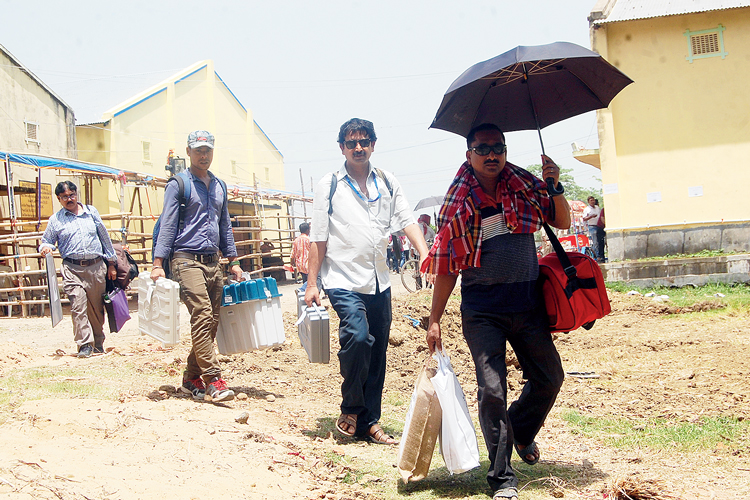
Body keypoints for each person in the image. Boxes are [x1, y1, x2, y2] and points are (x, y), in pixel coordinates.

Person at [423, 124, 570, 500]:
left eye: (498, 148)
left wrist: (554, 184)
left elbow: (563, 220)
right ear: (469, 155)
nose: (492, 155)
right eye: (483, 148)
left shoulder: (525, 186)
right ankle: (502, 478)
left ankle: (520, 428)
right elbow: (447, 267)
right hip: (483, 307)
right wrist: (435, 319)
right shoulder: (457, 203)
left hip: (527, 301)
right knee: (492, 389)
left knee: (550, 377)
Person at [305, 118, 429, 445]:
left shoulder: (387, 181)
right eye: (351, 143)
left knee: (377, 355)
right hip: (342, 278)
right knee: (358, 338)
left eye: (364, 142)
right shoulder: (329, 185)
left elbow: (405, 219)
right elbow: (318, 237)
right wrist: (311, 283)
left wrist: (424, 251)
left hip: (380, 281)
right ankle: (351, 407)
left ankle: (369, 422)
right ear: (341, 148)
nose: (358, 148)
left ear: (373, 144)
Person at [152, 130, 242, 403]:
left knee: (212, 322)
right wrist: (158, 263)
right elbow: (167, 224)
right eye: (198, 150)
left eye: (208, 150)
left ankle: (191, 378)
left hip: (213, 262)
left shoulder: (219, 186)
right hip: (185, 259)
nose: (204, 155)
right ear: (188, 152)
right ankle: (213, 380)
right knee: (202, 314)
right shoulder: (179, 184)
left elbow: (224, 224)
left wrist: (234, 260)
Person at [39, 181, 117, 358]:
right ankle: (84, 345)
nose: (69, 199)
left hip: (96, 267)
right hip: (72, 268)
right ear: (59, 199)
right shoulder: (56, 220)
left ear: (77, 194)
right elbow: (46, 240)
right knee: (78, 306)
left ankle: (98, 342)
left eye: (72, 195)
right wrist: (45, 248)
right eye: (64, 197)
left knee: (96, 309)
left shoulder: (91, 212)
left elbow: (104, 237)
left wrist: (111, 263)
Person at [583, 196, 603, 262]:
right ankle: (597, 256)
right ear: (588, 202)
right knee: (595, 242)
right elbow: (584, 218)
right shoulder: (587, 209)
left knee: (600, 241)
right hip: (592, 226)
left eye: (593, 200)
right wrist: (591, 216)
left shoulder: (597, 208)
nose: (592, 201)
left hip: (599, 226)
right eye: (591, 200)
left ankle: (600, 255)